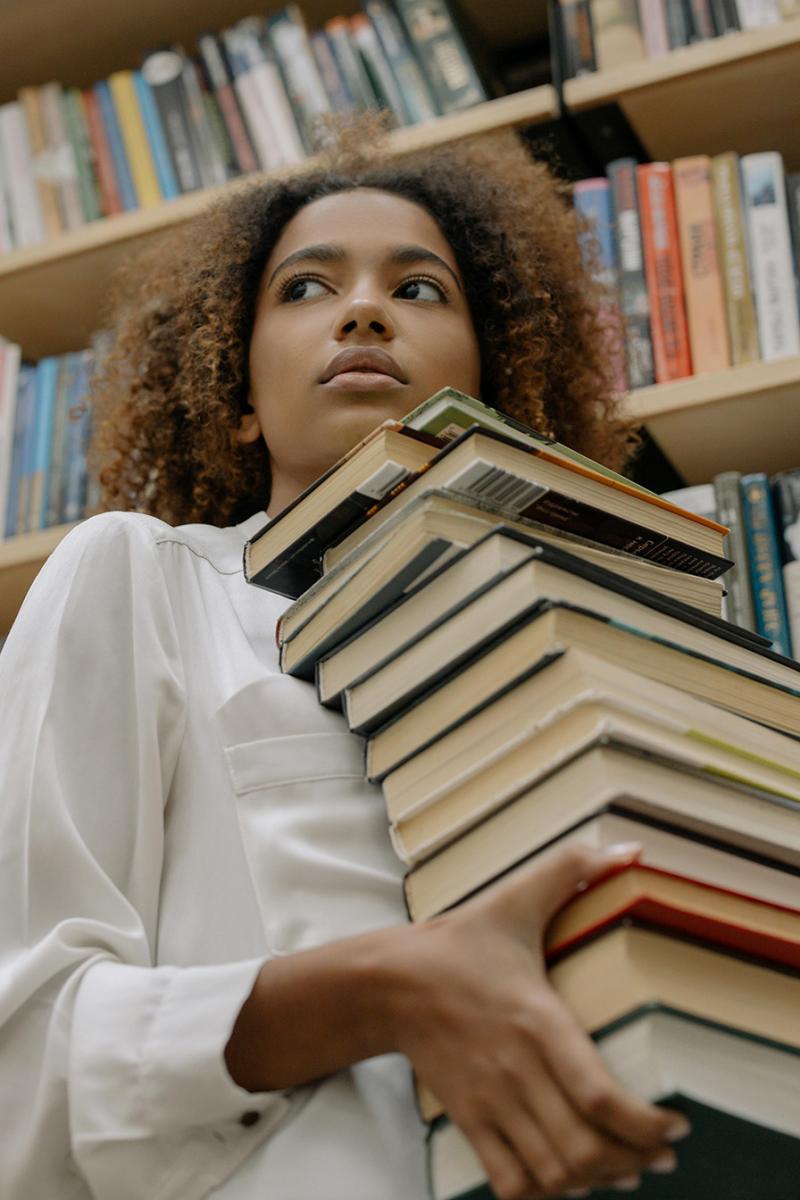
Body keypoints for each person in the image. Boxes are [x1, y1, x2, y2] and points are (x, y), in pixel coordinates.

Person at [0, 121, 689, 1200]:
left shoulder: (590, 643)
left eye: (419, 291)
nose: (364, 309)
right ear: (235, 401)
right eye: (306, 288)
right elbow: (20, 1050)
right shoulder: (141, 578)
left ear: (492, 388)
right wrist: (378, 991)